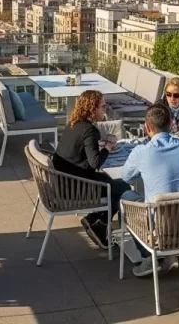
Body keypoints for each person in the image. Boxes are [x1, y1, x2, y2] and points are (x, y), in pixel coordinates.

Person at [119, 104, 179, 277]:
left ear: (147, 127)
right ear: (170, 124)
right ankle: (169, 255)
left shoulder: (141, 151)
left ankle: (149, 257)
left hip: (160, 222)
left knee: (125, 197)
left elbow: (126, 178)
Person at [52, 90, 131, 249]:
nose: (105, 110)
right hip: (77, 187)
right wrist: (107, 147)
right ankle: (98, 224)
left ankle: (96, 220)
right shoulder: (90, 130)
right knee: (124, 188)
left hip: (65, 181)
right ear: (92, 109)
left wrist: (97, 146)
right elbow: (95, 163)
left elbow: (82, 151)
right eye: (102, 107)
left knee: (112, 183)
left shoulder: (73, 123)